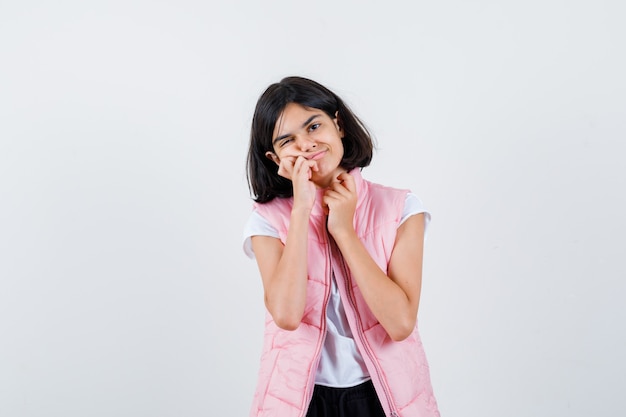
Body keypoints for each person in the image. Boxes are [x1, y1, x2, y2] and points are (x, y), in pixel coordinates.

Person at [243, 76, 439, 417]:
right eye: (288, 140)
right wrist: (302, 207)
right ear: (275, 158)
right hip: (299, 401)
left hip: (382, 397)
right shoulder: (267, 220)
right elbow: (287, 316)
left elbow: (400, 323)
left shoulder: (400, 207)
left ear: (339, 125)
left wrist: (345, 232)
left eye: (314, 126)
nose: (305, 144)